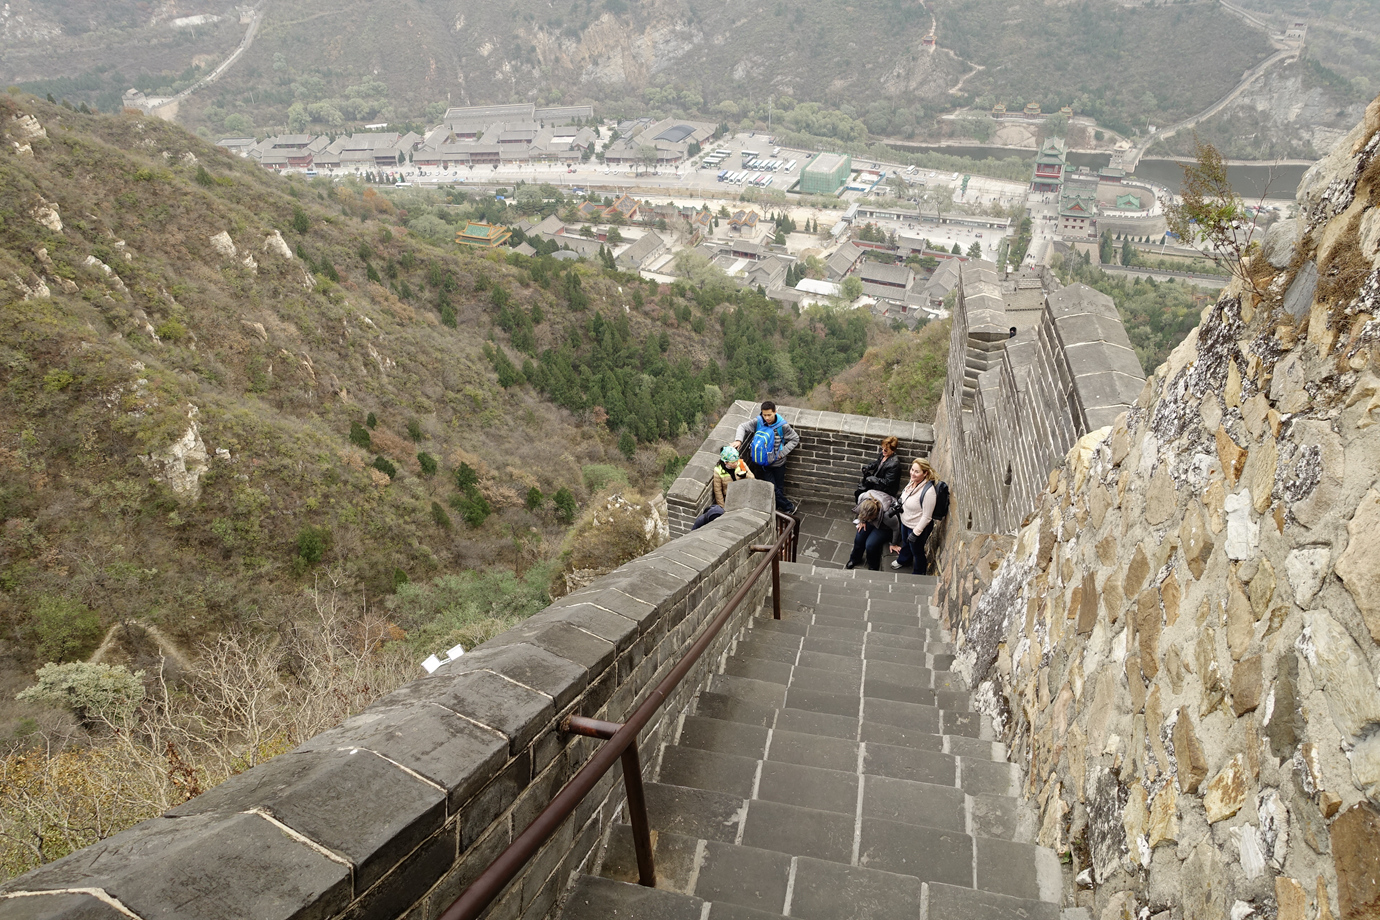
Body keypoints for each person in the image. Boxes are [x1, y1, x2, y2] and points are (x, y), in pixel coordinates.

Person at [732, 401, 800, 513]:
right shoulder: (758, 422)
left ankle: (779, 508)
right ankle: (789, 507)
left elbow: (795, 439)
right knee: (772, 487)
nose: (767, 418)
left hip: (778, 463)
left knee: (779, 487)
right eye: (764, 415)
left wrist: (781, 454)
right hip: (764, 463)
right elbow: (742, 426)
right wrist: (739, 440)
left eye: (769, 415)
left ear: (775, 412)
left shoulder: (782, 426)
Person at [890, 459, 938, 575]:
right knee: (906, 545)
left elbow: (927, 517)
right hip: (905, 522)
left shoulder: (929, 492)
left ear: (925, 473)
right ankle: (904, 560)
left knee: (917, 551)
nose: (912, 473)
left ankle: (919, 571)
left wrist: (916, 533)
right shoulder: (913, 481)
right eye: (912, 470)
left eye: (917, 472)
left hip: (916, 527)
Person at [846, 488, 897, 571]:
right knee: (859, 537)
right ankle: (855, 559)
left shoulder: (887, 515)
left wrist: (893, 544)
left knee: (870, 544)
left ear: (874, 516)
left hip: (885, 526)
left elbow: (896, 528)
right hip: (871, 520)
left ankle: (873, 565)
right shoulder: (863, 497)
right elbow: (860, 510)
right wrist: (862, 521)